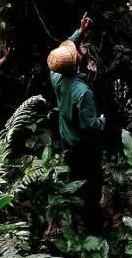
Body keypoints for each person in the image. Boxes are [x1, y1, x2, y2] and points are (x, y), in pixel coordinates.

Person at [48, 12, 106, 231]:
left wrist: (79, 31)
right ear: (77, 62)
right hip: (84, 146)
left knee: (76, 181)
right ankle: (95, 228)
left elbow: (65, 52)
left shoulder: (56, 77)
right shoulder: (82, 92)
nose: (80, 50)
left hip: (68, 142)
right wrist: (101, 122)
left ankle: (79, 220)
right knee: (91, 185)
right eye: (78, 52)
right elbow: (89, 126)